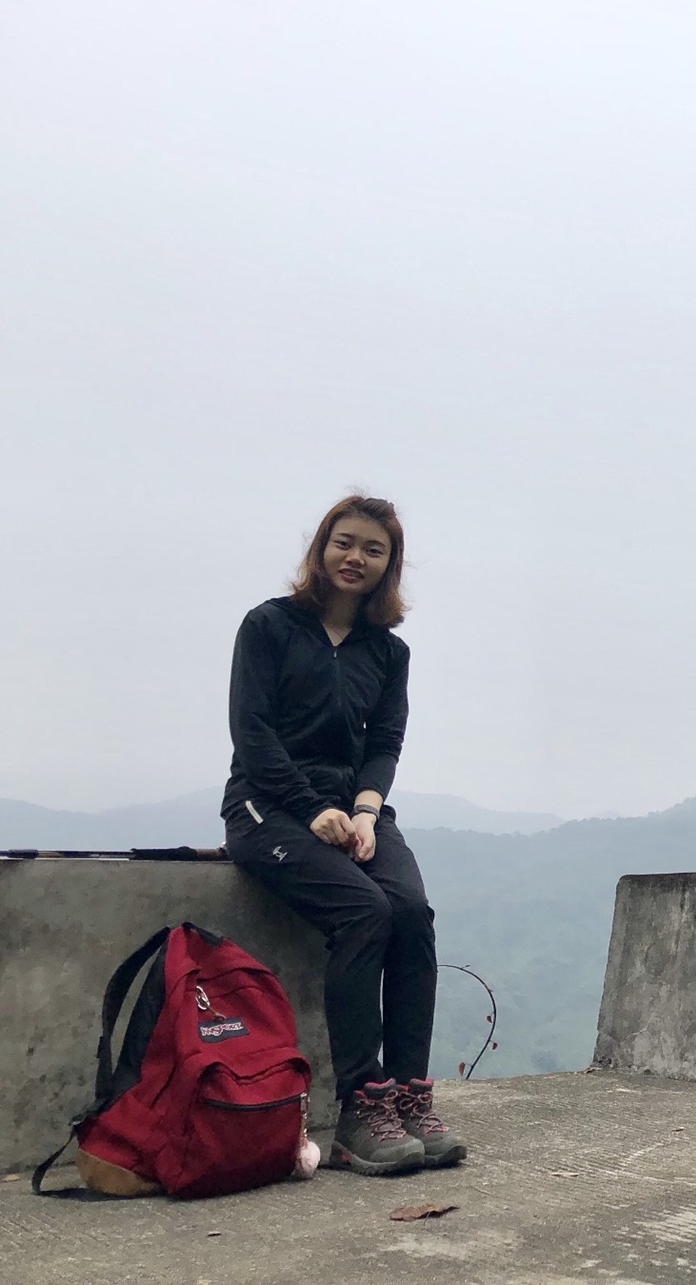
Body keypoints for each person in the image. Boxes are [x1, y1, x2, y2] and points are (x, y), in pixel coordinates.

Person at [222, 495, 464, 1175]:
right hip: (266, 808)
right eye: (344, 542)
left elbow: (384, 742)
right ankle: (361, 1106)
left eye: (373, 549)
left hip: (351, 809)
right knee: (365, 911)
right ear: (322, 549)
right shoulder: (269, 626)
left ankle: (411, 1096)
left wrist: (363, 810)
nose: (355, 557)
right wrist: (307, 808)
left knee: (412, 912)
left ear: (389, 566)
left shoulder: (388, 652)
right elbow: (253, 732)